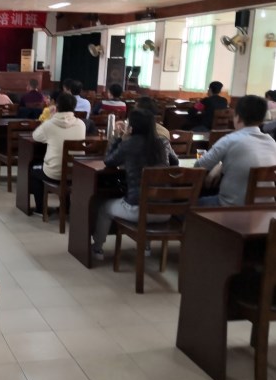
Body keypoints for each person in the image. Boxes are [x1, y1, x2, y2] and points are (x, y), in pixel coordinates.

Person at [92, 109, 179, 260]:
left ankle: (97, 248)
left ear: (131, 126)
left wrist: (119, 138)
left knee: (104, 207)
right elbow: (174, 162)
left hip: (138, 210)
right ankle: (145, 246)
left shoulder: (129, 144)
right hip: (165, 212)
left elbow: (109, 161)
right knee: (147, 195)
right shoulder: (161, 143)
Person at [195, 95, 276, 206]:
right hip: (266, 208)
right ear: (262, 120)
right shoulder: (271, 142)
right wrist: (221, 166)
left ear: (238, 117)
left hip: (232, 207)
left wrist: (218, 165)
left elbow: (199, 166)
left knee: (193, 203)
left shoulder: (230, 140)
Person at [30, 93, 86, 215]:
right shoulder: (81, 124)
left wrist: (50, 118)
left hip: (54, 173)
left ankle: (40, 209)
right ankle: (65, 207)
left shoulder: (50, 124)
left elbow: (35, 136)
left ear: (57, 106)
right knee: (64, 166)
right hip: (76, 172)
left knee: (33, 169)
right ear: (74, 107)